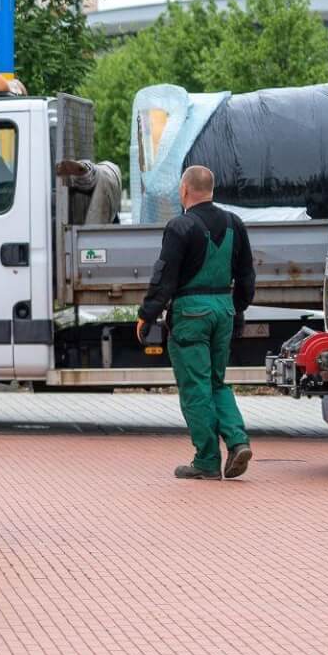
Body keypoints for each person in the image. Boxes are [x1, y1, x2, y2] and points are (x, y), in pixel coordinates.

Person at [137, 165, 255, 480]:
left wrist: (147, 314)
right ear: (211, 189)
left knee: (195, 387)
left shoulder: (180, 226)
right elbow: (246, 277)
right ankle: (238, 439)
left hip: (191, 313)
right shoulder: (235, 224)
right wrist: (236, 309)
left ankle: (206, 460)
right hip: (223, 309)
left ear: (185, 190)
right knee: (217, 382)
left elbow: (164, 278)